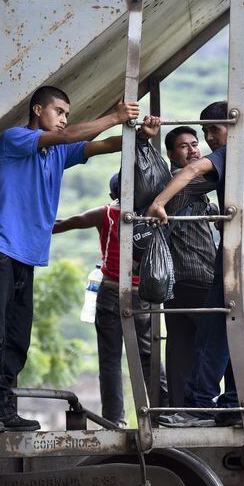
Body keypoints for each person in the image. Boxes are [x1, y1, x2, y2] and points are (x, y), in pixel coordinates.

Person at [0, 85, 139, 432]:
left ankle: (2, 407)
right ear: (37, 110)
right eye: (59, 111)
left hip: (24, 259)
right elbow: (72, 135)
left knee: (17, 339)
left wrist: (136, 131)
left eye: (66, 114)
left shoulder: (57, 154)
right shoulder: (15, 139)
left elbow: (106, 145)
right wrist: (115, 116)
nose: (64, 119)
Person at [148, 101, 244, 427]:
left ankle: (198, 407)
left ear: (232, 128)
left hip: (239, 263)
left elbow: (193, 171)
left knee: (214, 335)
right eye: (206, 131)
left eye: (213, 130)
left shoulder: (231, 155)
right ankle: (238, 403)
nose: (210, 138)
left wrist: (158, 202)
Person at [52, 118, 167, 426]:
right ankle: (160, 414)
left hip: (110, 289)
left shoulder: (106, 214)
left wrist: (34, 224)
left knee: (110, 359)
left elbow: (65, 223)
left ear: (114, 191)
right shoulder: (154, 216)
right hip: (143, 292)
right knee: (148, 356)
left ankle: (114, 419)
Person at [161, 125, 218, 407]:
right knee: (216, 341)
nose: (193, 150)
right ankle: (204, 404)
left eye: (195, 144)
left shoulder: (185, 188)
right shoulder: (182, 181)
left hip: (177, 281)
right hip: (197, 276)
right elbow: (220, 172)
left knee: (180, 347)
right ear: (171, 155)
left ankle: (181, 408)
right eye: (184, 146)